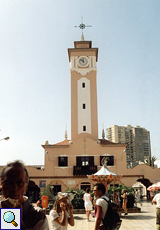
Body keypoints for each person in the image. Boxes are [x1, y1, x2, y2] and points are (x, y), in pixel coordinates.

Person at [0, 160, 49, 230]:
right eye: (9, 182)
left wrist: (17, 223)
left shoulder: (37, 216)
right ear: (1, 185)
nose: (14, 187)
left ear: (26, 187)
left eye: (19, 183)